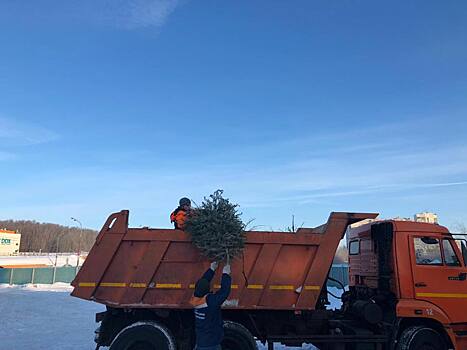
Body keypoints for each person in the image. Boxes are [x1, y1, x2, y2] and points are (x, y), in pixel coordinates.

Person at [190, 260, 232, 350]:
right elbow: (224, 292)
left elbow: (202, 282)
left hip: (201, 342)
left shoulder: (195, 298)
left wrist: (211, 269)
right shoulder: (210, 303)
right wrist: (226, 274)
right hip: (211, 344)